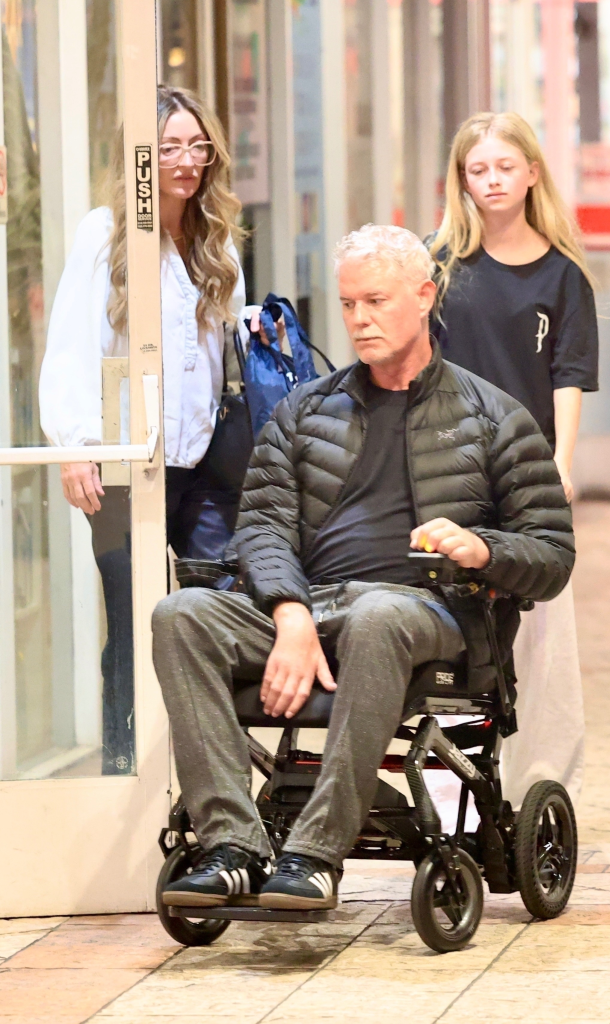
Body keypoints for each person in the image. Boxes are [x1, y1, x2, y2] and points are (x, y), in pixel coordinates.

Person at [151, 223, 575, 912]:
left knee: (380, 615)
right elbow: (258, 528)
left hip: (431, 614)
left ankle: (314, 854)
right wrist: (290, 614)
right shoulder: (303, 411)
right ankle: (231, 845)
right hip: (313, 604)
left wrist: (483, 548)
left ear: (423, 296)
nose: (358, 320)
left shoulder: (494, 417)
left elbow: (553, 554)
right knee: (180, 615)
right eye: (348, 305)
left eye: (375, 301)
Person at [39, 85, 246, 775]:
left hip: (202, 465)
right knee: (130, 626)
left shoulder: (214, 240)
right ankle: (124, 772)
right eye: (166, 148)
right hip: (127, 464)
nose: (185, 160)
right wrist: (75, 446)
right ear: (140, 156)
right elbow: (72, 343)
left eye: (195, 145)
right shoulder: (107, 231)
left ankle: (200, 774)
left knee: (206, 621)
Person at [428, 111, 598, 811]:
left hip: (527, 480)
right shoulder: (437, 265)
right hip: (446, 471)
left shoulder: (563, 276)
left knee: (541, 631)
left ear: (531, 173)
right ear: (461, 180)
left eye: (505, 167)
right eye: (478, 169)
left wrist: (561, 461)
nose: (492, 180)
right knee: (447, 627)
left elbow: (568, 374)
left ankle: (544, 783)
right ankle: (445, 786)